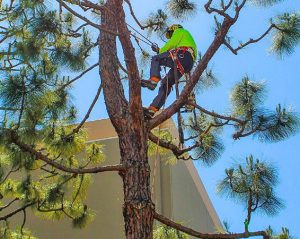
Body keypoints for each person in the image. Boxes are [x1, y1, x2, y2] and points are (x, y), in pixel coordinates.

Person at [142, 24, 197, 118]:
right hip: (187, 63)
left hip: (183, 54)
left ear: (173, 29)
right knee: (166, 83)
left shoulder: (180, 31)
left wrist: (160, 51)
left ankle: (153, 80)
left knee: (156, 59)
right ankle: (152, 110)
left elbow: (172, 43)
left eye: (170, 33)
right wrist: (160, 50)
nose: (171, 35)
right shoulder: (187, 38)